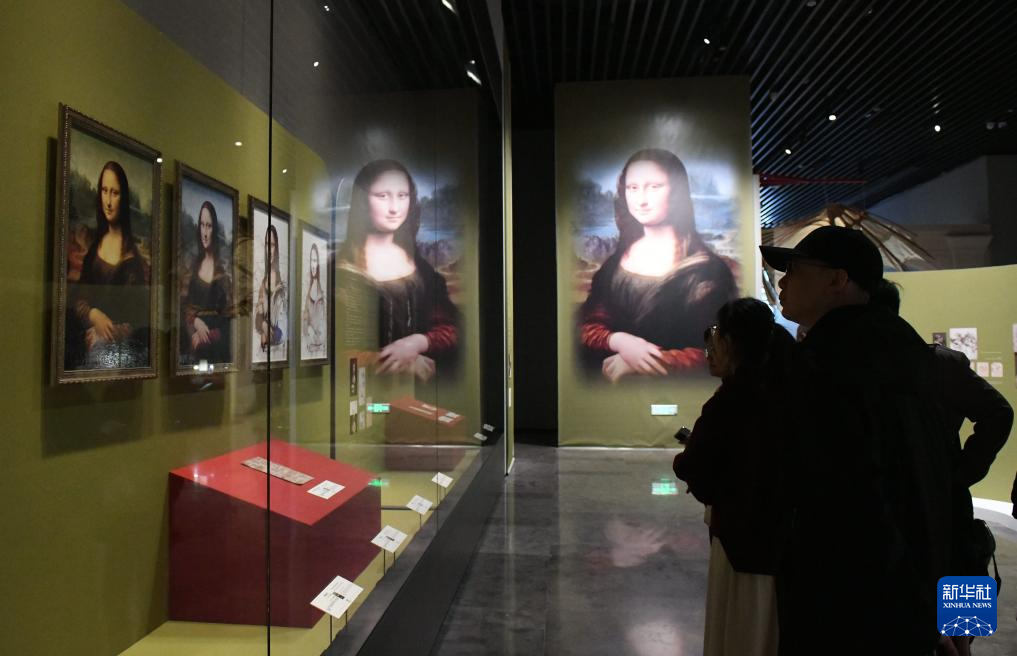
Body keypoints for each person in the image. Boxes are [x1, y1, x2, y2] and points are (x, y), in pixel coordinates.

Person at [760, 226, 956, 655]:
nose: (782, 282)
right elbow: (945, 487)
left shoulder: (824, 366)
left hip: (847, 600)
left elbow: (844, 496)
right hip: (911, 593)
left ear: (837, 280)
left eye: (794, 270)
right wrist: (945, 618)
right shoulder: (909, 353)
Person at [871, 279, 1013, 656]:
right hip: (945, 506)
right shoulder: (938, 363)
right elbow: (998, 412)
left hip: (940, 508)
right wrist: (959, 474)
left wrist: (961, 473)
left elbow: (998, 412)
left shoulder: (934, 364)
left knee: (957, 622)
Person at [673, 298, 794, 656]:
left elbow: (698, 467)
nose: (710, 351)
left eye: (717, 339)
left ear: (732, 342)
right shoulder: (789, 391)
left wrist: (688, 461)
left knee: (742, 627)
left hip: (741, 538)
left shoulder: (732, 401)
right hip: (781, 539)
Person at [577, 148, 737, 382]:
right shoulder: (615, 264)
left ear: (677, 191)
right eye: (633, 188)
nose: (641, 200)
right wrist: (619, 341)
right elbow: (588, 325)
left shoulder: (708, 272)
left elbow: (719, 348)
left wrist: (653, 361)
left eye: (654, 187)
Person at [337, 159, 458, 381]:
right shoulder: (343, 270)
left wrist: (419, 342)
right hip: (364, 392)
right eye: (383, 196)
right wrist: (394, 361)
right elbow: (333, 349)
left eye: (402, 196)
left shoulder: (422, 270)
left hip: (418, 393)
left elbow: (451, 328)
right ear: (363, 201)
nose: (394, 208)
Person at [67, 160, 150, 370]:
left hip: (113, 354)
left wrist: (109, 331)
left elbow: (137, 321)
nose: (109, 201)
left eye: (115, 193)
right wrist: (93, 315)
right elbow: (78, 298)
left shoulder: (132, 262)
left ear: (124, 198)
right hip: (84, 343)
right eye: (105, 191)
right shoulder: (94, 247)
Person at [180, 200, 232, 366]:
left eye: (209, 226)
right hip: (192, 339)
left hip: (215, 347)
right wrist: (195, 321)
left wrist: (208, 335)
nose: (205, 233)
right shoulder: (192, 267)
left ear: (214, 229)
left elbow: (229, 322)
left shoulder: (222, 273)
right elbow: (183, 307)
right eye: (202, 225)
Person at [254, 224, 287, 354]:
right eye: (267, 244)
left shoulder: (282, 285)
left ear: (276, 248)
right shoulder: (263, 283)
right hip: (265, 351)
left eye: (272, 245)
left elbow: (284, 326)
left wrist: (267, 331)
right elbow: (257, 318)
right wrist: (263, 324)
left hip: (279, 349)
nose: (269, 250)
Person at [302, 242, 327, 358]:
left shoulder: (323, 290)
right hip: (310, 346)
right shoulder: (306, 290)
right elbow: (304, 321)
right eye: (311, 261)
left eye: (315, 261)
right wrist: (309, 334)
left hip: (322, 346)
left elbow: (325, 320)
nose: (313, 265)